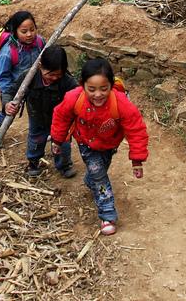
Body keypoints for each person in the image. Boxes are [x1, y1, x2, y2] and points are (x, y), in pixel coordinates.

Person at [50, 58, 148, 236]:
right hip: (85, 143)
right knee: (99, 176)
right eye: (92, 89)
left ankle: (90, 181)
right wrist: (57, 140)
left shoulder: (121, 103)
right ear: (83, 85)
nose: (98, 94)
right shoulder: (74, 97)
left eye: (104, 89)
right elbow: (61, 116)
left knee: (98, 172)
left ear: (111, 85)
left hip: (109, 145)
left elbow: (136, 129)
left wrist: (137, 160)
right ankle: (107, 214)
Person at [3, 45, 78, 178]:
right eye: (50, 74)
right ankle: (33, 163)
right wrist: (7, 103)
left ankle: (64, 165)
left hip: (61, 122)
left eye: (58, 74)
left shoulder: (67, 81)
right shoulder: (28, 77)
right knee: (35, 141)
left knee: (63, 144)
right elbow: (10, 91)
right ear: (40, 65)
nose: (54, 78)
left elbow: (79, 96)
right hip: (37, 117)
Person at [0, 11, 45, 141]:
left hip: (35, 85)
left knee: (40, 110)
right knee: (8, 111)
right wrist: (8, 98)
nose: (29, 34)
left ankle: (41, 133)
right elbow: (2, 77)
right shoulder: (8, 52)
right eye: (24, 31)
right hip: (15, 87)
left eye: (32, 29)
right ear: (15, 32)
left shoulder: (40, 42)